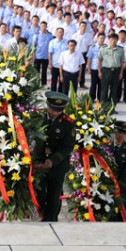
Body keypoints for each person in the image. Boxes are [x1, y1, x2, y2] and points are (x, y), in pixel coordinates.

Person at [34, 91, 75, 222]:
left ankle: (51, 220)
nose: (55, 113)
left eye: (59, 110)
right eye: (53, 109)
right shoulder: (37, 117)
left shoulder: (68, 123)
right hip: (39, 163)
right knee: (39, 193)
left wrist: (52, 160)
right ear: (47, 105)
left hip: (57, 164)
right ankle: (43, 214)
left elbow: (67, 147)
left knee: (54, 195)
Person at [98, 33, 125, 111]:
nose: (113, 41)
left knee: (114, 90)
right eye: (111, 39)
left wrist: (121, 73)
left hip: (116, 71)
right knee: (104, 90)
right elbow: (99, 60)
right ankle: (103, 107)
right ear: (108, 40)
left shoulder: (120, 49)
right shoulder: (103, 49)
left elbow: (122, 61)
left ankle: (112, 108)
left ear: (117, 40)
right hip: (106, 71)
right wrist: (99, 71)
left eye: (115, 39)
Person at [31, 21, 52, 86]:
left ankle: (44, 84)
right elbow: (33, 46)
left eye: (44, 26)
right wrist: (33, 56)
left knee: (44, 71)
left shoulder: (49, 35)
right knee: (36, 71)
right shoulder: (36, 35)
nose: (43, 27)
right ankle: (36, 84)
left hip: (46, 56)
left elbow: (51, 45)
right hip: (38, 56)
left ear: (46, 27)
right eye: (42, 26)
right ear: (40, 27)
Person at [86, 33, 105, 101]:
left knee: (101, 84)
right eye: (100, 38)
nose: (102, 40)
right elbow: (89, 58)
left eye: (103, 38)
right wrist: (89, 68)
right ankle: (91, 98)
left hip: (103, 68)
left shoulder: (106, 47)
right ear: (97, 39)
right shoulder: (92, 47)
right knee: (93, 84)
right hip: (94, 68)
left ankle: (100, 98)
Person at [48, 27, 68, 92]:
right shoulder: (52, 42)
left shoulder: (67, 42)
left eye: (62, 32)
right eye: (59, 32)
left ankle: (60, 96)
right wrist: (50, 64)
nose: (60, 33)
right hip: (55, 65)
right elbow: (50, 53)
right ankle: (52, 95)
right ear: (56, 33)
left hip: (64, 65)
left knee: (62, 81)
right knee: (54, 81)